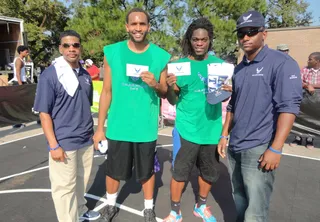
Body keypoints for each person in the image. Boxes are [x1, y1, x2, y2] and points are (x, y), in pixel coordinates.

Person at [217, 11, 302, 222]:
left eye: (251, 32)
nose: (245, 37)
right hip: (236, 145)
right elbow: (233, 105)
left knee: (255, 211)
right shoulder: (239, 69)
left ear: (264, 34)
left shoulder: (281, 63)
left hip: (259, 147)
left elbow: (289, 107)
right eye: (241, 33)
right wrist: (224, 135)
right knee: (239, 199)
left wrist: (276, 148)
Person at [93, 8, 171, 222]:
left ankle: (148, 208)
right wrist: (100, 128)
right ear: (127, 27)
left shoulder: (160, 56)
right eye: (134, 24)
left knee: (147, 172)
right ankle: (110, 205)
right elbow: (106, 91)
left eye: (142, 24)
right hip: (118, 126)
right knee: (113, 170)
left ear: (148, 27)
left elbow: (165, 91)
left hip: (145, 128)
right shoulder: (112, 52)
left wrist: (154, 83)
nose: (138, 28)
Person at [163, 18, 226, 222]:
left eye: (204, 39)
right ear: (189, 40)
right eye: (195, 39)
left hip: (211, 129)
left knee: (208, 173)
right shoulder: (178, 66)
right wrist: (171, 88)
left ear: (210, 40)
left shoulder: (220, 65)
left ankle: (201, 206)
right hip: (187, 129)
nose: (199, 43)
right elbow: (172, 99)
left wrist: (229, 89)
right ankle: (175, 212)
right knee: (179, 174)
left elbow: (226, 95)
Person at [33, 30, 100, 222]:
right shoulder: (50, 75)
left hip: (85, 139)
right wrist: (53, 145)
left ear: (80, 48)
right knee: (64, 188)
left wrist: (93, 134)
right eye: (67, 45)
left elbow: (85, 106)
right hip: (64, 142)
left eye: (76, 45)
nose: (72, 49)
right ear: (60, 48)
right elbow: (44, 113)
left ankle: (80, 210)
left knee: (80, 181)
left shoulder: (85, 75)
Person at [290, 52, 320, 149]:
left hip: (316, 102)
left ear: (317, 61)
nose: (308, 61)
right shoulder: (304, 70)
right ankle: (298, 138)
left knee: (313, 119)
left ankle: (309, 140)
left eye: (310, 59)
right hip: (303, 99)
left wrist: (312, 85)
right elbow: (298, 81)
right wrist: (307, 85)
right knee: (300, 117)